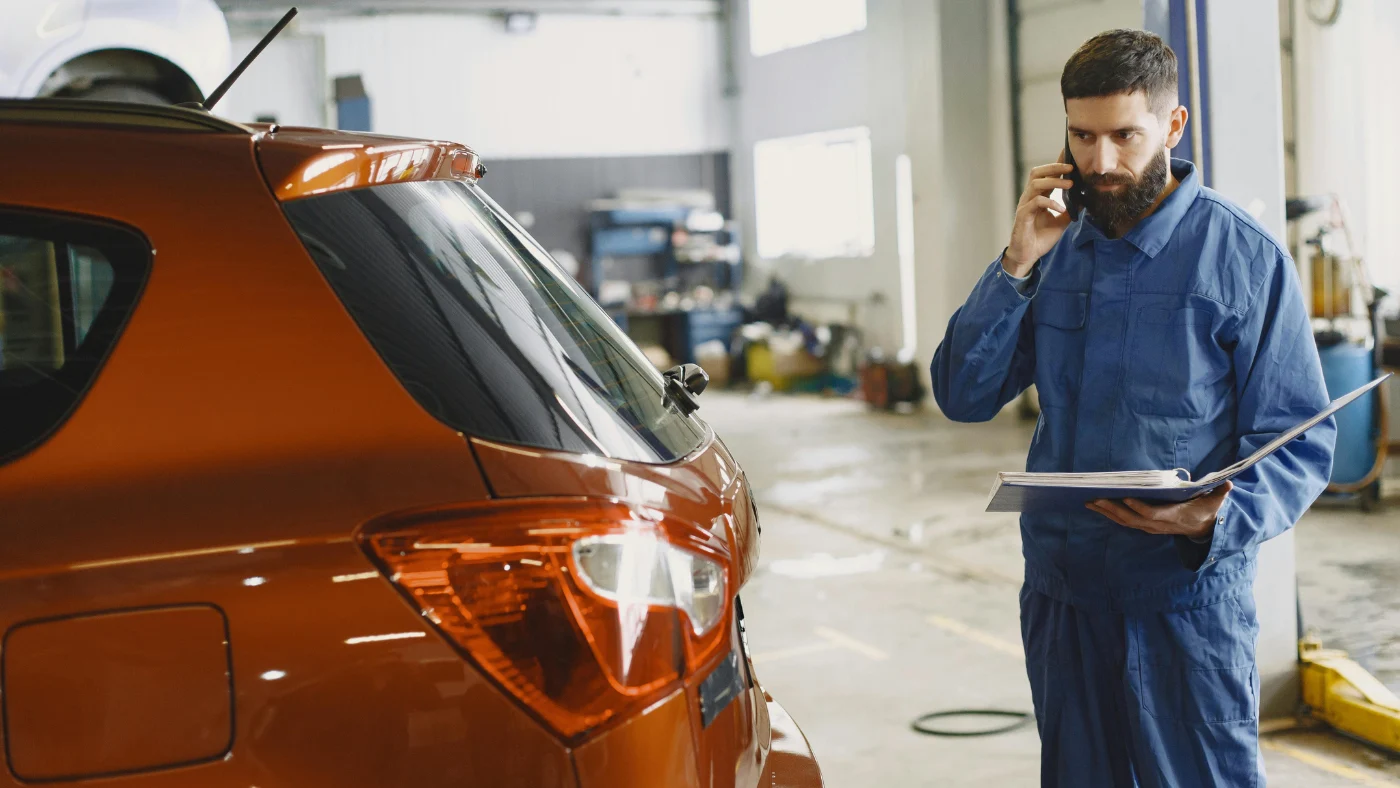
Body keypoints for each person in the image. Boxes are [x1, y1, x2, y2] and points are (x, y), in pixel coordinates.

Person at [931, 29, 1335, 787]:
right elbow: (962, 394)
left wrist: (1211, 516)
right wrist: (1016, 261)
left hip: (1183, 602)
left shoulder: (1244, 259)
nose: (1102, 162)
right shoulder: (1053, 250)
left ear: (1172, 127)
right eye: (1082, 137)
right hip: (1065, 591)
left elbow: (1300, 441)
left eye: (1125, 135)